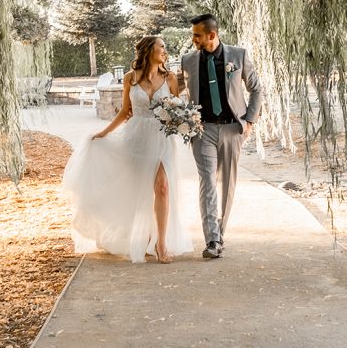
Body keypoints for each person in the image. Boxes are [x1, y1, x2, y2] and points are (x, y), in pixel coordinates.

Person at [59, 35, 192, 263]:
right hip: (137, 137)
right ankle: (141, 236)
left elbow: (177, 108)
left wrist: (183, 122)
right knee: (140, 191)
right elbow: (125, 112)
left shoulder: (170, 78)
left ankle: (161, 243)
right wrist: (104, 133)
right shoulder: (130, 79)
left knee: (162, 187)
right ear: (149, 50)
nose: (165, 50)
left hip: (162, 139)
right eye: (161, 46)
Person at [180, 14, 263, 259]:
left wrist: (249, 119)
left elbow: (256, 88)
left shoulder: (239, 56)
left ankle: (220, 231)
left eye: (197, 35)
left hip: (231, 129)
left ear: (211, 35)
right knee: (207, 182)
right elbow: (177, 89)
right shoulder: (188, 61)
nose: (193, 39)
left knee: (227, 184)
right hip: (202, 129)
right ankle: (212, 240)